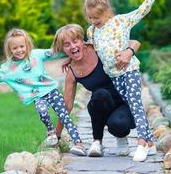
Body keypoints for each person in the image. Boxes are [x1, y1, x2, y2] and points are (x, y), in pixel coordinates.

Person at [0, 28, 86, 156]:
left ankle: (78, 143)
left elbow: (55, 53)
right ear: (9, 50)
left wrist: (78, 50)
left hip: (52, 91)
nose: (19, 50)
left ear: (27, 45)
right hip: (38, 97)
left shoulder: (36, 55)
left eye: (22, 46)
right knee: (42, 112)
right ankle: (51, 132)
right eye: (15, 48)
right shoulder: (7, 69)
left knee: (64, 116)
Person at [83, 0, 162, 161]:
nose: (94, 21)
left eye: (97, 17)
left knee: (135, 104)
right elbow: (91, 50)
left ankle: (142, 143)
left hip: (130, 71)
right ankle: (151, 144)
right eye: (90, 17)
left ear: (106, 12)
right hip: (114, 76)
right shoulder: (91, 31)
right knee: (130, 104)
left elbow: (142, 11)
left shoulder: (120, 21)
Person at [52, 23, 139, 157]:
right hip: (102, 104)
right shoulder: (71, 72)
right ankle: (97, 142)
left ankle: (121, 137)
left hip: (124, 103)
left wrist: (129, 52)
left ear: (82, 40)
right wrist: (56, 136)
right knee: (100, 94)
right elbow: (67, 106)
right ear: (62, 48)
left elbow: (135, 42)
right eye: (67, 44)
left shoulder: (99, 47)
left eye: (75, 41)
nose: (73, 46)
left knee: (117, 124)